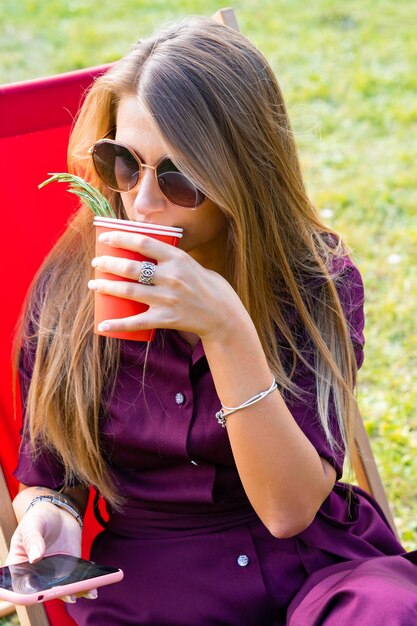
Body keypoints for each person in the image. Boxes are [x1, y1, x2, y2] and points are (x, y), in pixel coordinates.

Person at [6, 15, 417, 626]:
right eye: (125, 163)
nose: (143, 201)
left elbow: (289, 511)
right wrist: (50, 514)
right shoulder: (72, 286)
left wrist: (227, 329)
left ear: (244, 177)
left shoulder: (309, 280)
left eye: (180, 177)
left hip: (317, 568)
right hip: (155, 589)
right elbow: (49, 473)